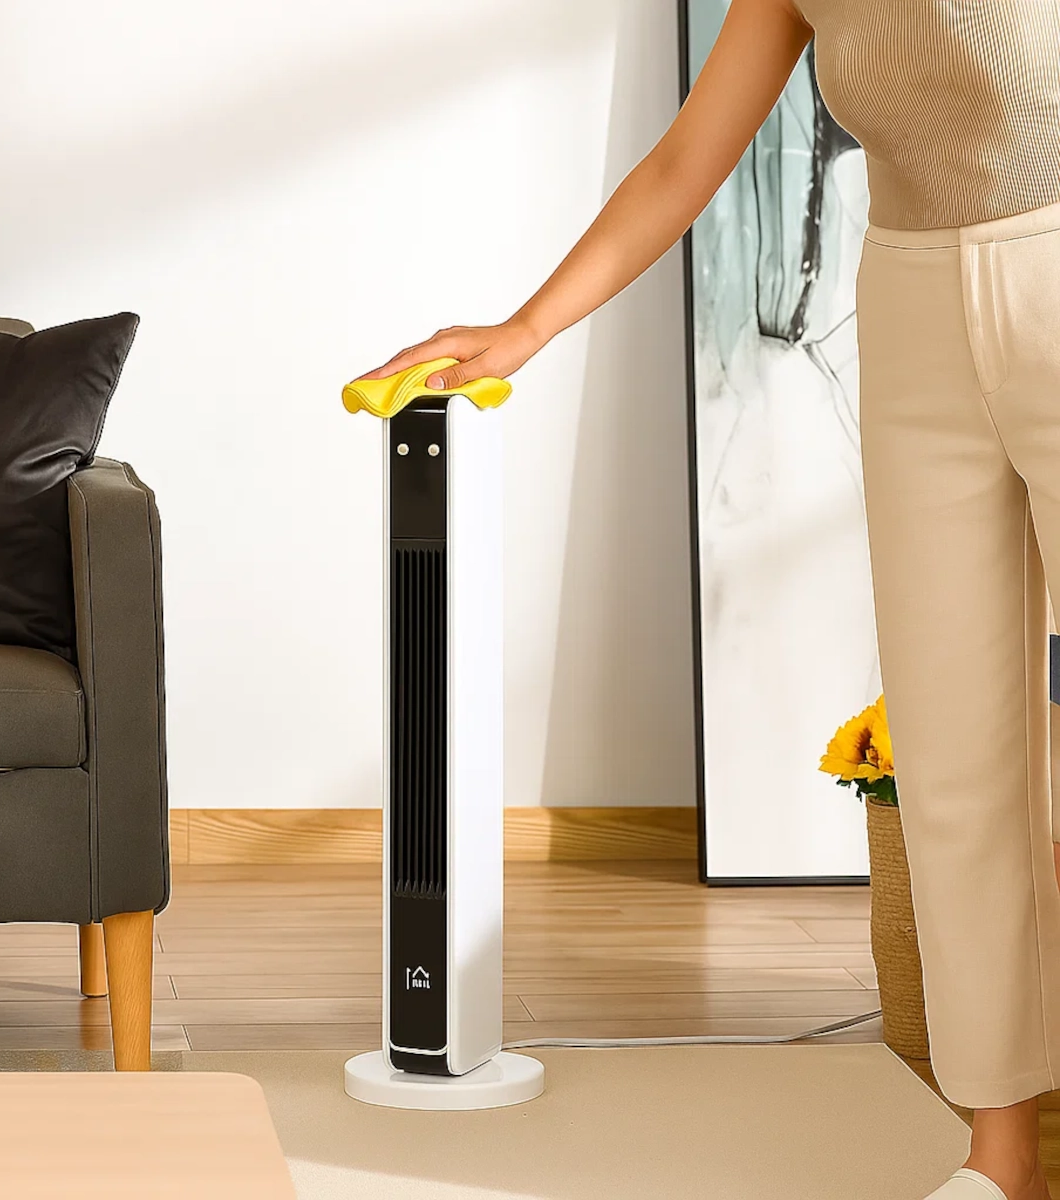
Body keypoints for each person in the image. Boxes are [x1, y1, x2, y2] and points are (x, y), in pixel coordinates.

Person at [357, 1, 1060, 1197]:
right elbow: (691, 156)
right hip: (911, 296)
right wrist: (527, 328)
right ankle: (1003, 1154)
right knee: (954, 754)